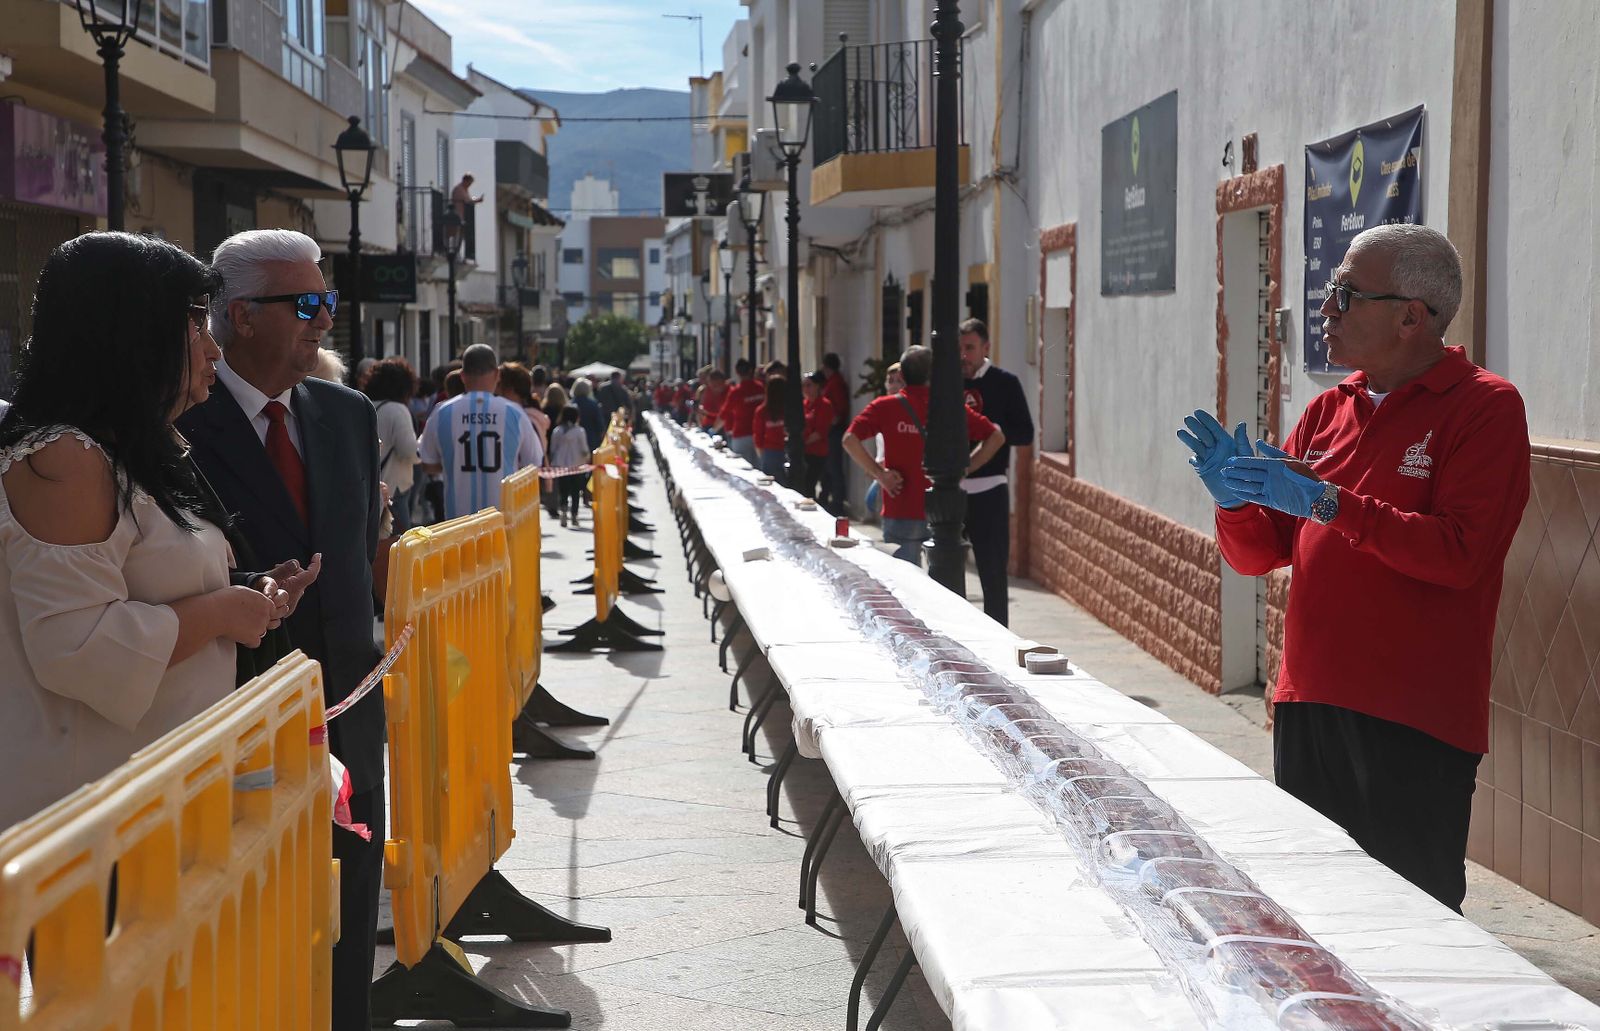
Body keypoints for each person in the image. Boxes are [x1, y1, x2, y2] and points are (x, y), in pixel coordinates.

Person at [1181, 224, 1529, 914]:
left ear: (1411, 316)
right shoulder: (1327, 410)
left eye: (1345, 294)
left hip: (1414, 722)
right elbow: (1259, 554)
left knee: (1408, 925)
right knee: (1310, 915)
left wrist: (1331, 503)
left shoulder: (1485, 408)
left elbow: (1459, 553)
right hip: (1310, 704)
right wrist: (1235, 505)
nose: (1326, 310)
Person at [0, 232, 282, 830]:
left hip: (155, 807)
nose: (214, 351)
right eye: (198, 326)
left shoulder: (127, 449)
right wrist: (225, 611)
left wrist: (244, 590)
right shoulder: (65, 457)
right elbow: (76, 648)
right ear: (135, 332)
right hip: (87, 828)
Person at [175, 229, 386, 1027]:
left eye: (327, 301)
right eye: (305, 304)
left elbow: (364, 555)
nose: (323, 320)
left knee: (347, 944)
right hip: (242, 734)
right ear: (240, 317)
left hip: (350, 726)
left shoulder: (347, 413)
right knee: (256, 949)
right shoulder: (182, 424)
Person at [843, 346, 1004, 566]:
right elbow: (996, 437)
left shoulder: (885, 407)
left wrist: (881, 475)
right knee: (941, 586)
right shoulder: (951, 408)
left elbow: (849, 440)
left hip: (900, 506)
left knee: (903, 585)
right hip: (943, 509)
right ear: (934, 374)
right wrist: (966, 468)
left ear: (901, 375)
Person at [958, 318, 1035, 627]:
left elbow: (1025, 433)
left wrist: (994, 432)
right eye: (960, 348)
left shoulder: (1005, 383)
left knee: (992, 574)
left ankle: (998, 637)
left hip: (990, 488)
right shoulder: (950, 384)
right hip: (954, 491)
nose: (964, 355)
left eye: (970, 348)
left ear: (986, 348)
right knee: (949, 572)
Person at [418, 343, 543, 521]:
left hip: (457, 524)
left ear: (462, 376)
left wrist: (455, 463)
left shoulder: (442, 413)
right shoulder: (514, 413)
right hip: (502, 521)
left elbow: (427, 463)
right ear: (497, 374)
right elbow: (533, 465)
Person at [364, 357, 421, 534]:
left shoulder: (365, 405)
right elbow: (409, 451)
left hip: (370, 488)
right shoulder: (398, 410)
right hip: (394, 490)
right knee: (399, 545)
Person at [818, 352, 851, 514]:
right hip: (831, 430)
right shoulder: (832, 382)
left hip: (835, 430)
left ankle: (837, 502)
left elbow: (840, 408)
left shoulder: (835, 383)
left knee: (834, 467)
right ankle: (829, 498)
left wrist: (832, 421)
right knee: (829, 467)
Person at [549, 405, 591, 528]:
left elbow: (553, 449)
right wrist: (587, 458)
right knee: (575, 491)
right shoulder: (580, 431)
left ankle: (563, 512)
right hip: (577, 465)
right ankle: (574, 515)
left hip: (561, 464)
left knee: (563, 490)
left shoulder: (557, 431)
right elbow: (584, 449)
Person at [718, 358, 765, 466]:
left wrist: (713, 430)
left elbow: (724, 413)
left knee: (743, 470)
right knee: (760, 472)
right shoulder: (760, 388)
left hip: (741, 435)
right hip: (759, 435)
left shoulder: (736, 392)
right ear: (750, 371)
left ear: (737, 372)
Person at [498, 361, 551, 451]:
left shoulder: (525, 420)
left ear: (510, 390)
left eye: (498, 385)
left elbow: (534, 461)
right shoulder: (529, 417)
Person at [798, 371, 834, 498]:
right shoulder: (804, 405)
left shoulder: (824, 405)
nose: (806, 389)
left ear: (817, 386)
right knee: (804, 484)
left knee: (811, 482)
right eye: (804, 386)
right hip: (805, 452)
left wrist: (802, 443)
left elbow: (821, 431)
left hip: (817, 452)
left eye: (809, 385)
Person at [752, 375, 788, 481]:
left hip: (770, 453)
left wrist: (762, 456)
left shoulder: (761, 411)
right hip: (785, 450)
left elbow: (758, 436)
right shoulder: (789, 409)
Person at [571, 376, 605, 450]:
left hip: (573, 441)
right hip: (591, 440)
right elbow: (600, 424)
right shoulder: (593, 404)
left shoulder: (570, 405)